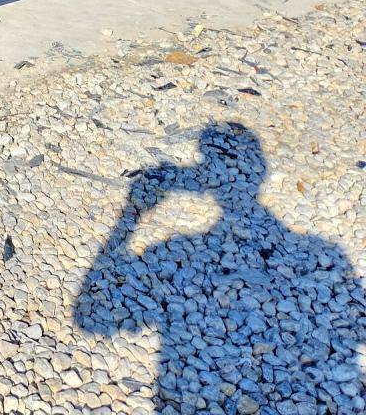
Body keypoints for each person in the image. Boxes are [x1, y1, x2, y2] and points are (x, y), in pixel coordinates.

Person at [76, 122, 365, 410]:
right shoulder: (324, 253)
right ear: (261, 172)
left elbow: (89, 319)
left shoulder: (171, 251)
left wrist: (131, 215)